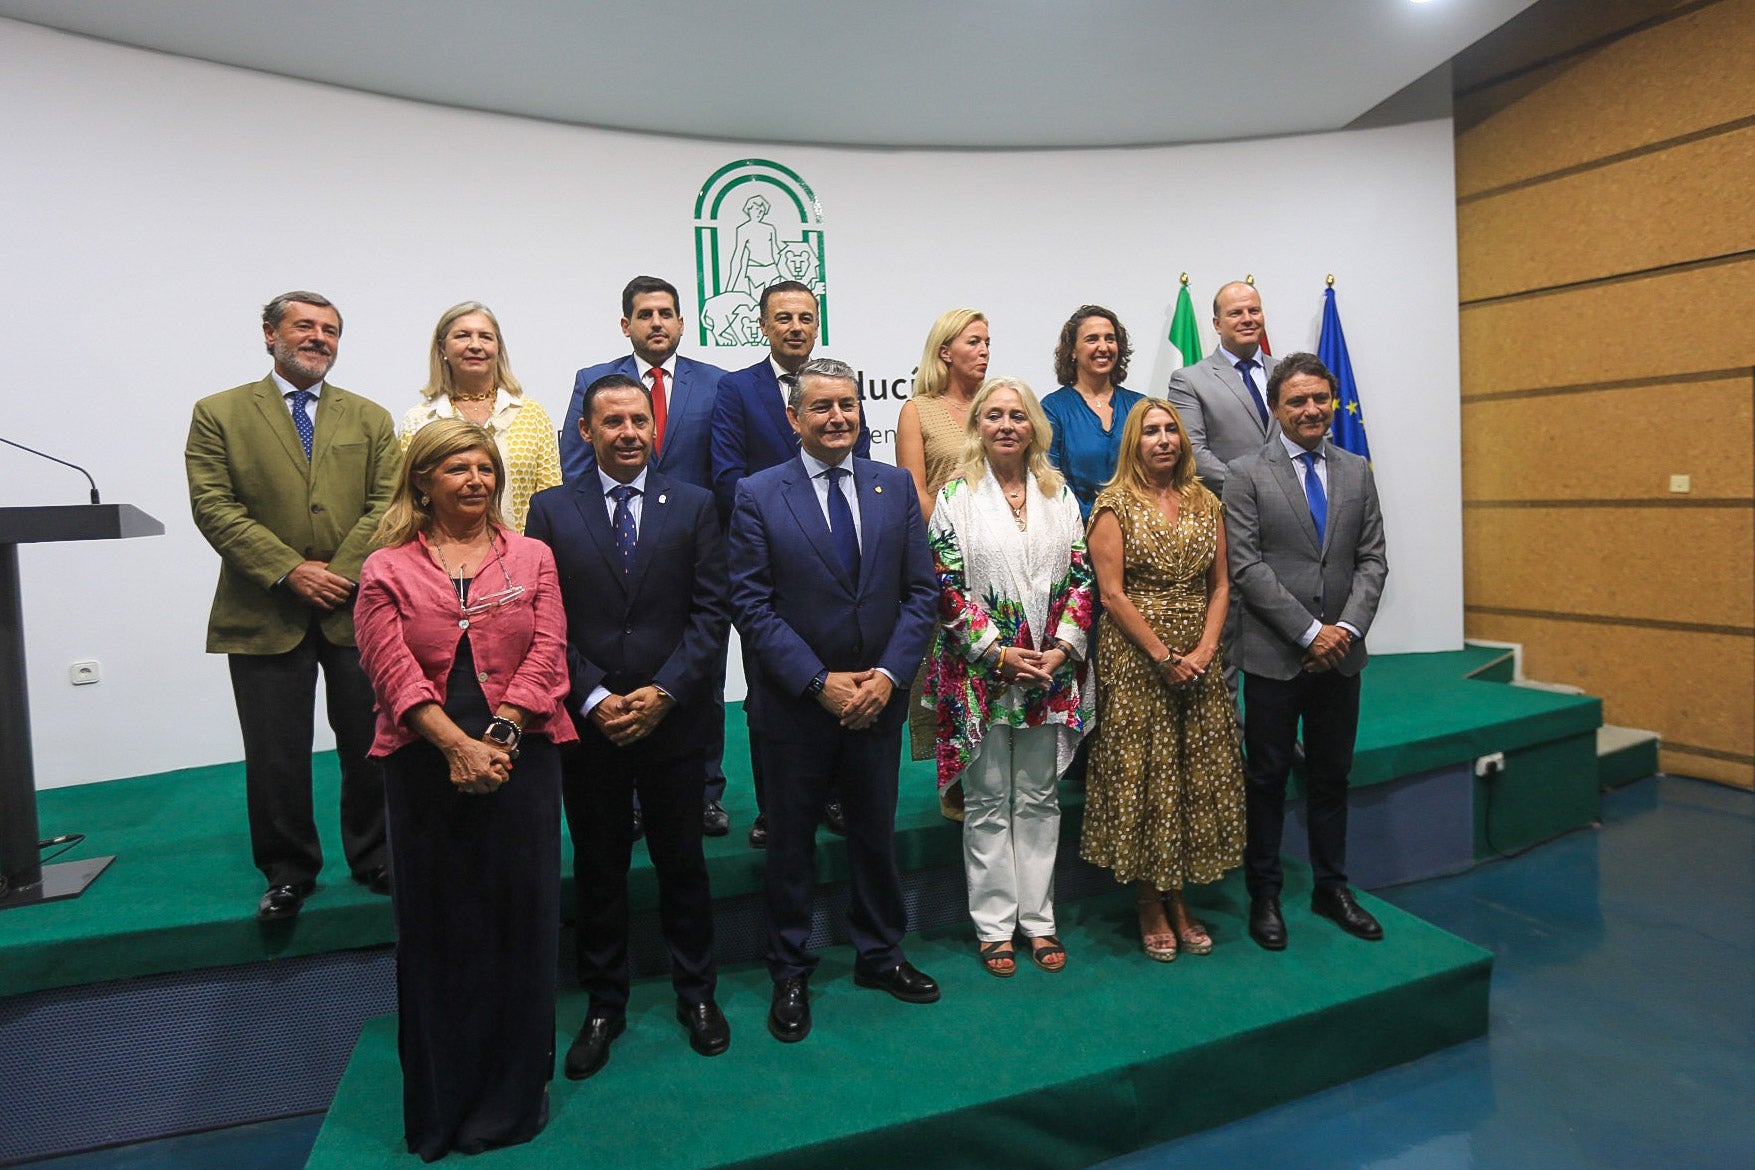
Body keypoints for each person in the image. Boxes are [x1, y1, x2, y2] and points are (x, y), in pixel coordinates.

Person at [353, 419, 575, 1161]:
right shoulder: (385, 567)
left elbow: (548, 650)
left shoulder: (533, 555)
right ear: (422, 480)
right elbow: (388, 670)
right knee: (441, 932)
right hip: (424, 764)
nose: (476, 480)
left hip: (521, 757)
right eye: (457, 468)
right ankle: (445, 1108)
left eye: (485, 467)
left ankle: (514, 1100)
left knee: (521, 925)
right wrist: (455, 746)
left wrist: (501, 737)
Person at [727, 358, 940, 1042]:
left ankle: (880, 953)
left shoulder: (894, 487)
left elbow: (921, 594)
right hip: (795, 706)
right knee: (789, 844)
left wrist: (886, 677)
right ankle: (790, 969)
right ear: (794, 419)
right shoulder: (757, 494)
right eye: (821, 407)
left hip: (878, 699)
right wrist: (818, 682)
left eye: (847, 404)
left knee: (874, 836)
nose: (838, 417)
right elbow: (751, 606)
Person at [526, 374, 731, 1080]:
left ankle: (697, 994)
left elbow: (711, 616)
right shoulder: (549, 511)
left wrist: (665, 691)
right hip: (591, 728)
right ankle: (603, 1004)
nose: (627, 433)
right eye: (611, 421)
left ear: (654, 427)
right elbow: (542, 621)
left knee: (683, 866)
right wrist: (590, 697)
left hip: (673, 723)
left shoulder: (697, 506)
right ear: (585, 431)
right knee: (599, 869)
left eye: (638, 420)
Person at [185, 291, 398, 921]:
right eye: (305, 326)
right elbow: (213, 505)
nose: (319, 338)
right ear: (269, 335)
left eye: (330, 330)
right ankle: (287, 871)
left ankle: (377, 855)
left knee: (371, 741)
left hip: (355, 607)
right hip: (262, 609)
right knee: (274, 752)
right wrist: (288, 571)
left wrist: (337, 573)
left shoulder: (370, 417)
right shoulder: (218, 413)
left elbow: (386, 505)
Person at [926, 376, 1093, 977]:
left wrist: (1064, 646)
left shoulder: (1059, 493)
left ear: (1034, 428)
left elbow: (1082, 575)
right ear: (977, 426)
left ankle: (1040, 920)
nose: (1005, 425)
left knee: (1041, 797)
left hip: (1048, 673)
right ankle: (995, 926)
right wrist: (994, 651)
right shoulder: (957, 495)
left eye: (1016, 416)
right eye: (993, 415)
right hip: (984, 676)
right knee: (989, 800)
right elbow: (942, 582)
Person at [1223, 352, 1389, 951]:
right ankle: (1264, 893)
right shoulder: (1246, 474)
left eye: (1320, 398)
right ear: (1276, 408)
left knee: (1331, 776)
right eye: (1297, 401)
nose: (1311, 409)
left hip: (1342, 657)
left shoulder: (1357, 470)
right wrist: (1308, 632)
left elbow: (1372, 559)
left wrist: (1343, 628)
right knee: (1266, 778)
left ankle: (1331, 887)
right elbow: (1245, 565)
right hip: (1275, 656)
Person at [558, 276, 734, 837]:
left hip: (689, 547)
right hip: (616, 549)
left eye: (666, 313)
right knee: (618, 670)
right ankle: (629, 797)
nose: (656, 322)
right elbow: (576, 464)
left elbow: (722, 469)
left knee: (699, 681)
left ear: (682, 323)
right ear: (625, 324)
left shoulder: (716, 384)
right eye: (644, 313)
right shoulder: (594, 381)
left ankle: (705, 792)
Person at [1081, 399, 1246, 961]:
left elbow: (1221, 585)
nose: (1163, 440)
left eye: (1170, 430)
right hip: (1136, 661)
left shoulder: (1206, 501)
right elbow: (1111, 594)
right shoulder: (1113, 505)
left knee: (1191, 776)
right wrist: (1161, 654)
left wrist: (1202, 650)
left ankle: (1181, 898)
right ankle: (1150, 902)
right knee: (1147, 779)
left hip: (1198, 662)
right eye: (1150, 431)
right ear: (1134, 442)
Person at [710, 280, 871, 847]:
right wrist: (788, 513)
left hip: (840, 564)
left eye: (805, 317)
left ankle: (832, 793)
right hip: (769, 563)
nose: (796, 327)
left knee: (837, 674)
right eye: (784, 318)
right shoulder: (737, 390)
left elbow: (863, 469)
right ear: (763, 325)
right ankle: (774, 807)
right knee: (771, 689)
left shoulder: (840, 383)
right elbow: (726, 475)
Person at [895, 308, 990, 818]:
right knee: (952, 669)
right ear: (945, 350)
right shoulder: (919, 410)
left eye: (987, 341)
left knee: (999, 664)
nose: (984, 350)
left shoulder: (1000, 405)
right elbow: (915, 491)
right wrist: (964, 543)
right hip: (948, 561)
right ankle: (954, 778)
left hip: (1007, 561)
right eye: (974, 341)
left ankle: (999, 764)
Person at [398, 301, 560, 533]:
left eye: (485, 337)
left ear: (498, 348)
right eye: (463, 336)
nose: (475, 345)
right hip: (443, 555)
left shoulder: (531, 414)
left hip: (523, 555)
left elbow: (551, 495)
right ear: (442, 348)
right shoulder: (420, 419)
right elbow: (410, 500)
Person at [1166, 281, 1280, 499]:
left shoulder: (1287, 374)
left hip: (1295, 512)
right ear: (1218, 324)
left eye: (1254, 311)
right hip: (1231, 510)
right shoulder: (1189, 381)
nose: (1247, 319)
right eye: (1236, 313)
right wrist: (1253, 490)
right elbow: (1194, 453)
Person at [1041, 305, 1145, 519]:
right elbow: (1050, 480)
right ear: (1072, 351)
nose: (1103, 347)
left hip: (1139, 529)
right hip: (1078, 529)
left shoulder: (1139, 406)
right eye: (1092, 339)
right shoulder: (1054, 408)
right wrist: (1103, 520)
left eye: (1110, 338)